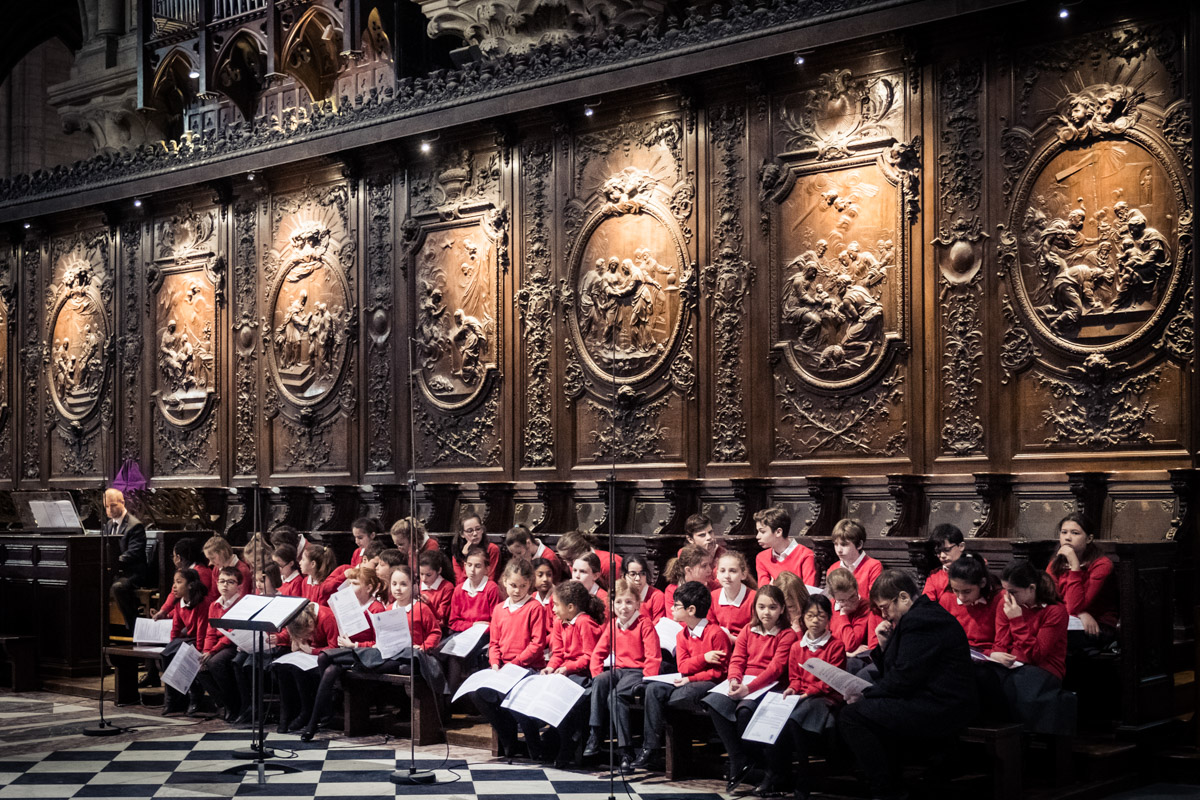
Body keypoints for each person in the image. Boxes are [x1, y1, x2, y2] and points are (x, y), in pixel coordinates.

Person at [838, 570, 978, 800]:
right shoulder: (917, 616)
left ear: (903, 597)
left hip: (943, 704)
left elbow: (904, 678)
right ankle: (890, 782)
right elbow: (900, 672)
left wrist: (866, 694)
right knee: (863, 712)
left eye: (885, 607)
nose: (884, 615)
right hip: (926, 697)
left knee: (852, 716)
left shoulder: (922, 620)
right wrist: (884, 645)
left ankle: (886, 790)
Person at [704, 584, 796, 793]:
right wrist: (734, 679)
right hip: (745, 681)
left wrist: (748, 688)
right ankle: (738, 759)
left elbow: (775, 668)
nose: (766, 612)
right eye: (761, 607)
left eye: (772, 607)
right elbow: (737, 658)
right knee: (714, 703)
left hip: (770, 685)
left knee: (745, 711)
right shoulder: (748, 629)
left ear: (782, 609)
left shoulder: (787, 634)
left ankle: (762, 767)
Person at [632, 581, 729, 771]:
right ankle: (650, 747)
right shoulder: (682, 635)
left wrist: (691, 678)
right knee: (653, 689)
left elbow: (719, 673)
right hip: (686, 678)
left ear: (691, 610)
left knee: (676, 697)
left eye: (676, 605)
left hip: (708, 682)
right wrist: (704, 658)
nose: (672, 608)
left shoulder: (716, 634)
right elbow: (683, 665)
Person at [472, 558, 549, 758]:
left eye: (523, 586)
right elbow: (494, 643)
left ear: (529, 584)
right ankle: (509, 740)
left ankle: (533, 743)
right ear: (505, 581)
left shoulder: (534, 608)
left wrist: (514, 664)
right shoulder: (499, 609)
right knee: (478, 693)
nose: (517, 591)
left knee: (513, 695)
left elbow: (537, 644)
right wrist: (495, 665)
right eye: (513, 585)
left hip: (526, 667)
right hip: (503, 667)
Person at [774, 593, 847, 800]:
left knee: (795, 719)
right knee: (780, 718)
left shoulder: (836, 646)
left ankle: (803, 774)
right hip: (803, 696)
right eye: (810, 616)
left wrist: (807, 694)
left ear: (829, 618)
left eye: (821, 616)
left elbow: (830, 682)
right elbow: (795, 678)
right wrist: (792, 689)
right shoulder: (797, 647)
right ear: (803, 618)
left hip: (826, 697)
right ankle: (779, 774)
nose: (815, 621)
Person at [299, 566, 386, 741]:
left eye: (355, 583)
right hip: (348, 653)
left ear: (369, 587)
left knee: (324, 657)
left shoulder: (377, 608)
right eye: (350, 583)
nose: (350, 587)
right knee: (329, 668)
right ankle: (320, 717)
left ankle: (321, 714)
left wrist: (355, 644)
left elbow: (380, 642)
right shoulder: (349, 605)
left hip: (365, 654)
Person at [989, 561, 1073, 734]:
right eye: (1005, 590)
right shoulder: (1005, 604)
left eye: (1013, 592)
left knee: (1020, 686)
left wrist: (1016, 620)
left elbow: (1037, 654)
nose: (1007, 597)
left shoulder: (1055, 611)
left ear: (1031, 588)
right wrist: (996, 655)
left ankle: (1023, 740)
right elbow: (1001, 643)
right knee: (984, 680)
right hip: (1014, 664)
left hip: (1044, 668)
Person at [587, 578, 661, 771]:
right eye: (619, 602)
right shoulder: (613, 624)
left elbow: (653, 657)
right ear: (612, 605)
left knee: (615, 697)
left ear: (637, 603)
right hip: (618, 670)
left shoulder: (645, 624)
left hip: (637, 671)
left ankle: (625, 750)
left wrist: (647, 680)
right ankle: (595, 734)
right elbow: (597, 654)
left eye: (629, 602)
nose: (623, 607)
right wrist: (596, 674)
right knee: (600, 681)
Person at [542, 580, 605, 767]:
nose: (553, 609)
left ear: (570, 607)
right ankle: (557, 736)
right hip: (565, 672)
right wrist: (551, 667)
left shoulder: (585, 623)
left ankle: (568, 741)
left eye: (556, 605)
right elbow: (558, 653)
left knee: (565, 698)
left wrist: (568, 668)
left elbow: (589, 656)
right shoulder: (559, 622)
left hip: (582, 675)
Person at [1046, 512, 1117, 640]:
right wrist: (1080, 613)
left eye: (1075, 533)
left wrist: (1074, 566)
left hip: (1097, 623)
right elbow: (1050, 600)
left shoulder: (1102, 564)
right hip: (1069, 618)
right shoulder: (1055, 563)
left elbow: (1074, 606)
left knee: (1051, 637)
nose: (1067, 538)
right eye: (1064, 532)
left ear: (1089, 539)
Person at [272, 602, 338, 733]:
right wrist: (297, 642)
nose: (309, 636)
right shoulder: (302, 616)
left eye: (307, 634)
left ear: (311, 623)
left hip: (323, 657)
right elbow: (295, 639)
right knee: (282, 667)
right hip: (309, 653)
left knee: (299, 670)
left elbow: (334, 647)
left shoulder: (327, 617)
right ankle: (286, 716)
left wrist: (312, 651)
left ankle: (306, 711)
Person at [197, 567, 246, 722]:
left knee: (215, 662)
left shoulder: (241, 604)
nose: (225, 585)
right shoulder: (214, 605)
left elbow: (232, 634)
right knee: (199, 665)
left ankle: (233, 705)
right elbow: (210, 632)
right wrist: (206, 651)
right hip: (217, 645)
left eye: (230, 582)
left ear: (239, 586)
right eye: (222, 581)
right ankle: (223, 703)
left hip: (235, 644)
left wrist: (212, 652)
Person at [161, 568, 210, 716]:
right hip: (190, 638)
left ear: (190, 585)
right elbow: (176, 628)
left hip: (204, 639)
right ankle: (172, 699)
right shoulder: (179, 603)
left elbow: (202, 631)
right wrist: (171, 646)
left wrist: (199, 651)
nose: (174, 586)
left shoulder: (203, 603)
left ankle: (196, 697)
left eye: (179, 582)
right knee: (167, 654)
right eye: (174, 582)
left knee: (188, 654)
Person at [106, 488, 148, 632]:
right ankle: (104, 630)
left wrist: (113, 563)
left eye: (113, 505)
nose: (109, 509)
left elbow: (133, 553)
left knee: (119, 587)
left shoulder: (135, 526)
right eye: (106, 506)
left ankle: (133, 628)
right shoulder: (108, 525)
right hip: (116, 571)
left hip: (133, 573)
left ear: (122, 502)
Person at [943, 552, 1002, 652]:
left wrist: (989, 654)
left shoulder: (999, 599)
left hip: (989, 655)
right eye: (955, 590)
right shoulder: (947, 598)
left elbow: (1003, 642)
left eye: (967, 591)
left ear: (982, 583)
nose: (961, 597)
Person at [753, 506, 816, 586]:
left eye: (762, 532)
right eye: (758, 532)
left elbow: (809, 589)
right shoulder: (762, 557)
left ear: (778, 532)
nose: (757, 536)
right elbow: (764, 590)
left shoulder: (806, 555)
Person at [827, 567, 875, 669]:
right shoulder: (829, 606)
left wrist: (843, 615)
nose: (849, 603)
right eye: (842, 600)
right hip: (833, 657)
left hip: (852, 662)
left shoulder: (865, 606)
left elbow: (850, 644)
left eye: (852, 597)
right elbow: (824, 643)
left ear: (856, 589)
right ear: (833, 597)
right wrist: (848, 654)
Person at [708, 551, 756, 641]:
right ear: (717, 574)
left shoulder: (754, 598)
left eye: (733, 571)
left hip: (746, 646)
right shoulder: (713, 596)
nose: (727, 576)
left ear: (743, 575)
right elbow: (710, 628)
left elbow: (756, 637)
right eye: (722, 571)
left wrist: (732, 639)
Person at [828, 518, 883, 597]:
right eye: (836, 544)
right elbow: (831, 599)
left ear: (859, 545)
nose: (839, 550)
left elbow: (875, 599)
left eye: (844, 544)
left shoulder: (873, 566)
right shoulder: (833, 568)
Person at [555, 530, 622, 589]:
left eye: (569, 559)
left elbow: (619, 593)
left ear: (583, 551)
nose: (568, 564)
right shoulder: (574, 563)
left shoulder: (608, 563)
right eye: (564, 559)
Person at [923, 523, 966, 605]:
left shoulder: (975, 569)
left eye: (947, 550)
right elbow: (926, 604)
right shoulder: (934, 576)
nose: (942, 556)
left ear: (961, 546)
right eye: (938, 552)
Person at [451, 514, 501, 584]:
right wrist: (467, 558)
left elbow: (490, 579)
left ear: (482, 530)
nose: (475, 534)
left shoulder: (492, 549)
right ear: (462, 534)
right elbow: (460, 583)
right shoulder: (458, 553)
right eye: (470, 531)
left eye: (478, 529)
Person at [679, 513, 724, 589]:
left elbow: (721, 585)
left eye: (710, 532)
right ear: (690, 539)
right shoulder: (685, 553)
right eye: (702, 535)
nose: (709, 537)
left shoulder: (723, 554)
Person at [663, 545, 712, 611]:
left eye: (709, 564)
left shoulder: (714, 587)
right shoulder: (672, 590)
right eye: (704, 566)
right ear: (688, 570)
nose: (710, 570)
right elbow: (673, 616)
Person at [418, 549, 455, 626]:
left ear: (439, 570)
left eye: (428, 575)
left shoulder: (447, 587)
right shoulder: (420, 584)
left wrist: (429, 604)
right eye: (421, 574)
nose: (423, 579)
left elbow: (441, 617)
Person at [623, 555, 665, 621]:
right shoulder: (619, 595)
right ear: (624, 576)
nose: (638, 578)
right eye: (633, 574)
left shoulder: (657, 596)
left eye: (642, 573)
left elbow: (658, 625)